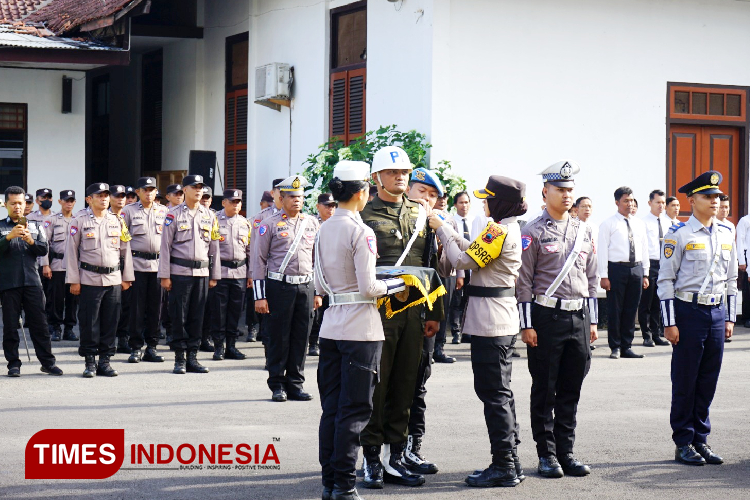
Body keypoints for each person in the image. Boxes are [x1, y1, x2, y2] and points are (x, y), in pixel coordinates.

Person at [315, 160, 407, 500]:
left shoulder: (324, 226)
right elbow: (369, 287)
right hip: (360, 330)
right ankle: (343, 485)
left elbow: (318, 283)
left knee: (333, 408)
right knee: (355, 411)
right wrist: (397, 285)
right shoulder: (361, 231)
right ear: (362, 193)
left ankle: (330, 481)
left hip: (332, 325)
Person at [429, 175, 526, 487]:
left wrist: (441, 228)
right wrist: (451, 232)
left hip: (491, 321)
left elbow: (461, 260)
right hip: (497, 318)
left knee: (494, 393)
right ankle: (510, 459)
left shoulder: (499, 230)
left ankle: (504, 465)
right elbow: (470, 250)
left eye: (488, 198)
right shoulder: (503, 227)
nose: (483, 203)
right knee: (500, 392)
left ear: (500, 202)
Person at [359, 146, 443, 490]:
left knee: (406, 384)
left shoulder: (421, 213)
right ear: (376, 178)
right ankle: (371, 459)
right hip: (377, 310)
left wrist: (435, 313)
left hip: (413, 313)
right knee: (376, 385)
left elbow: (431, 264)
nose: (400, 177)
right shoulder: (364, 213)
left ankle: (397, 456)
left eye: (404, 173)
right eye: (393, 173)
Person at [517, 161, 597, 480]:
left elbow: (591, 277)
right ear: (545, 192)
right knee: (545, 388)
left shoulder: (583, 230)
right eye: (560, 190)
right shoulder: (532, 231)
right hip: (545, 316)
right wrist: (526, 324)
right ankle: (546, 454)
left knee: (570, 388)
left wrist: (592, 321)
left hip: (578, 315)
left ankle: (566, 451)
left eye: (569, 190)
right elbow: (523, 281)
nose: (566, 196)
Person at [658, 170, 736, 466]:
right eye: (708, 196)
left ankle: (701, 439)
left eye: (717, 196)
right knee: (686, 379)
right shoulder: (678, 235)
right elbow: (665, 280)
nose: (715, 201)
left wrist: (729, 318)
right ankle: (683, 441)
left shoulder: (727, 233)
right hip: (688, 312)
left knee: (708, 379)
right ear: (692, 200)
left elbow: (731, 281)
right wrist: (669, 322)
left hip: (716, 313)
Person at [253, 175, 320, 401]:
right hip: (278, 286)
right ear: (281, 198)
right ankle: (277, 384)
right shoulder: (268, 225)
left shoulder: (311, 223)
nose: (297, 201)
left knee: (302, 337)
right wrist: (260, 297)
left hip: (305, 286)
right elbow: (258, 261)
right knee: (279, 337)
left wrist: (318, 291)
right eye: (291, 196)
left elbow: (317, 260)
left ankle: (295, 383)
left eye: (300, 197)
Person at [404, 167, 450, 475]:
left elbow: (439, 274)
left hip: (423, 316)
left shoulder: (435, 227)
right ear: (408, 189)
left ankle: (412, 449)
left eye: (433, 196)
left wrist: (434, 315)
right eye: (422, 192)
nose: (427, 200)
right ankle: (379, 453)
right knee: (384, 387)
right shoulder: (391, 219)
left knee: (418, 385)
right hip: (390, 316)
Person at [66, 183, 135, 378]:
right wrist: (74, 280)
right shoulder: (79, 220)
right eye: (100, 195)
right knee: (89, 322)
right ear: (89, 199)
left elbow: (125, 250)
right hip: (89, 278)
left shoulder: (117, 220)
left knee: (110, 321)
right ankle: (90, 361)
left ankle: (105, 361)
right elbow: (71, 253)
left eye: (106, 195)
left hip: (113, 278)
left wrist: (127, 277)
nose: (104, 198)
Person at [159, 175, 221, 374]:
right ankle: (179, 357)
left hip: (202, 272)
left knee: (197, 315)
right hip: (180, 272)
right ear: (184, 190)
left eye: (200, 187)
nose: (198, 190)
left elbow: (214, 247)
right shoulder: (173, 214)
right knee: (179, 315)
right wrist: (165, 275)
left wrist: (214, 275)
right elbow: (165, 247)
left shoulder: (210, 215)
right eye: (194, 187)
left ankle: (192, 357)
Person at [0, 186, 62, 377]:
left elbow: (44, 250)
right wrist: (8, 238)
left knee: (39, 324)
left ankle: (47, 362)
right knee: (10, 326)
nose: (18, 207)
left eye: (21, 203)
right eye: (13, 203)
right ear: (6, 204)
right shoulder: (1, 226)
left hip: (32, 282)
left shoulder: (35, 225)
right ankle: (13, 363)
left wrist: (31, 241)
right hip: (9, 283)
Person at [121, 177, 168, 363]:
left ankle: (152, 347)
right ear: (138, 192)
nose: (149, 193)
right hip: (137, 265)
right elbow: (124, 241)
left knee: (156, 309)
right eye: (145, 190)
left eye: (152, 190)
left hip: (158, 266)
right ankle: (135, 347)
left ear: (156, 192)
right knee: (136, 309)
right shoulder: (128, 211)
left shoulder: (165, 212)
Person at [598, 186, 649, 359]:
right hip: (616, 269)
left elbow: (644, 248)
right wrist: (603, 275)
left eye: (632, 200)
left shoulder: (639, 223)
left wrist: (646, 273)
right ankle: (615, 346)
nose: (630, 204)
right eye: (626, 200)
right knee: (615, 309)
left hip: (636, 268)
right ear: (617, 202)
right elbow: (603, 251)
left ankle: (627, 345)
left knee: (631, 308)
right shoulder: (608, 224)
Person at [210, 189, 251, 361]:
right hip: (221, 272)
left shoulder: (245, 223)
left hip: (240, 272)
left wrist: (250, 274)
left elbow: (250, 250)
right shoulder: (214, 221)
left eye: (238, 202)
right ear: (223, 202)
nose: (236, 205)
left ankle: (231, 347)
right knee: (219, 312)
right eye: (232, 201)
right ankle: (219, 347)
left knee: (235, 312)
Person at [248, 179, 284, 350]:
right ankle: (270, 355)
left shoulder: (301, 218)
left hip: (291, 277)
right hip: (268, 274)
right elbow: (256, 251)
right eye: (280, 190)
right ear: (273, 193)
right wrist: (253, 274)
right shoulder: (262, 218)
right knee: (269, 317)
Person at [42, 190, 79, 342]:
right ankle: (55, 327)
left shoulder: (78, 220)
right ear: (60, 202)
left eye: (71, 200)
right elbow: (44, 243)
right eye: (66, 200)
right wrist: (45, 264)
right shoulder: (52, 220)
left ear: (74, 202)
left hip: (74, 267)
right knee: (56, 298)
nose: (69, 203)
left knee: (73, 299)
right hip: (57, 265)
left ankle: (69, 329)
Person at [638, 189, 672, 347]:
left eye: (663, 203)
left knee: (659, 301)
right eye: (658, 202)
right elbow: (642, 247)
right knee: (647, 301)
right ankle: (646, 335)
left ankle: (657, 333)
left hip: (664, 264)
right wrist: (644, 270)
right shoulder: (643, 222)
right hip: (649, 263)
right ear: (650, 203)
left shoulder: (667, 222)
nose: (661, 206)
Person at [309, 192, 338, 357]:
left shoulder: (339, 224)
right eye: (327, 205)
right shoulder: (312, 224)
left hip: (334, 273)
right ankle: (313, 342)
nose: (330, 209)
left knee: (331, 308)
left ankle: (328, 341)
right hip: (316, 272)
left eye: (333, 206)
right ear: (318, 206)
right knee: (316, 311)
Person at [447, 191, 473, 346]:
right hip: (458, 266)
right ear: (455, 205)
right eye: (461, 202)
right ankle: (456, 332)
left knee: (470, 300)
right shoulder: (451, 222)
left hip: (472, 266)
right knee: (457, 300)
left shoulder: (474, 221)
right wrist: (459, 273)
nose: (464, 205)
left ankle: (467, 332)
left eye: (467, 202)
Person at [160, 183, 184, 345]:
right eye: (175, 194)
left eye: (181, 193)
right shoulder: (163, 213)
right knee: (163, 301)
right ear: (168, 197)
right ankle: (166, 329)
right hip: (163, 264)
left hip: (180, 267)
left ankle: (171, 332)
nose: (179, 196)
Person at [109, 185, 132, 354]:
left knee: (125, 305)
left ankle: (123, 337)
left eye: (123, 196)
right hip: (106, 270)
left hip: (122, 268)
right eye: (117, 196)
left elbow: (127, 247)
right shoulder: (103, 216)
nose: (121, 199)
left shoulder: (123, 218)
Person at [199, 186, 217, 353]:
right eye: (202, 197)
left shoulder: (213, 217)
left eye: (207, 197)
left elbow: (215, 248)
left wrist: (214, 274)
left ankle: (205, 338)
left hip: (208, 270)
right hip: (187, 270)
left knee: (207, 308)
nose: (204, 199)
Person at [736, 211, 750, 328]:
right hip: (747, 257)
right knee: (748, 290)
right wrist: (742, 260)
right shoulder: (745, 220)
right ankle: (747, 317)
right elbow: (740, 241)